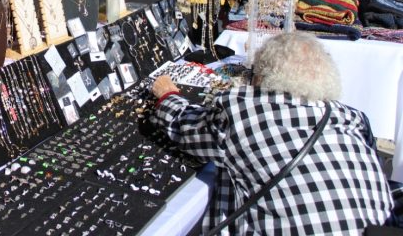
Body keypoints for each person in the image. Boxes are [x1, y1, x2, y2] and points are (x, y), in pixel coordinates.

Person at [150, 32, 393, 234]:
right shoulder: (353, 118)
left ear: (261, 76)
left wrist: (167, 95)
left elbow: (184, 127)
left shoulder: (246, 113)